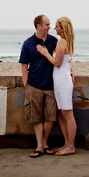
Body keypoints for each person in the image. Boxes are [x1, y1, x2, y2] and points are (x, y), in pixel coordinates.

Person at [19, 15, 58, 158]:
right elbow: (24, 66)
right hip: (33, 85)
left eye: (50, 24)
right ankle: (40, 146)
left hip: (50, 85)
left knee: (50, 117)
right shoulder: (28, 43)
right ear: (38, 26)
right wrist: (26, 85)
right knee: (36, 118)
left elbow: (60, 59)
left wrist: (70, 70)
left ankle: (45, 143)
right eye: (47, 24)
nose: (50, 27)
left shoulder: (54, 41)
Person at [37, 16, 77, 155]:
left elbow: (57, 63)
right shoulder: (67, 42)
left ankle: (71, 146)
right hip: (60, 80)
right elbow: (66, 63)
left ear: (63, 28)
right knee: (61, 114)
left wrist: (46, 53)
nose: (54, 28)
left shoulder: (61, 42)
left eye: (57, 26)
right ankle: (67, 144)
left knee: (68, 114)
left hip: (62, 81)